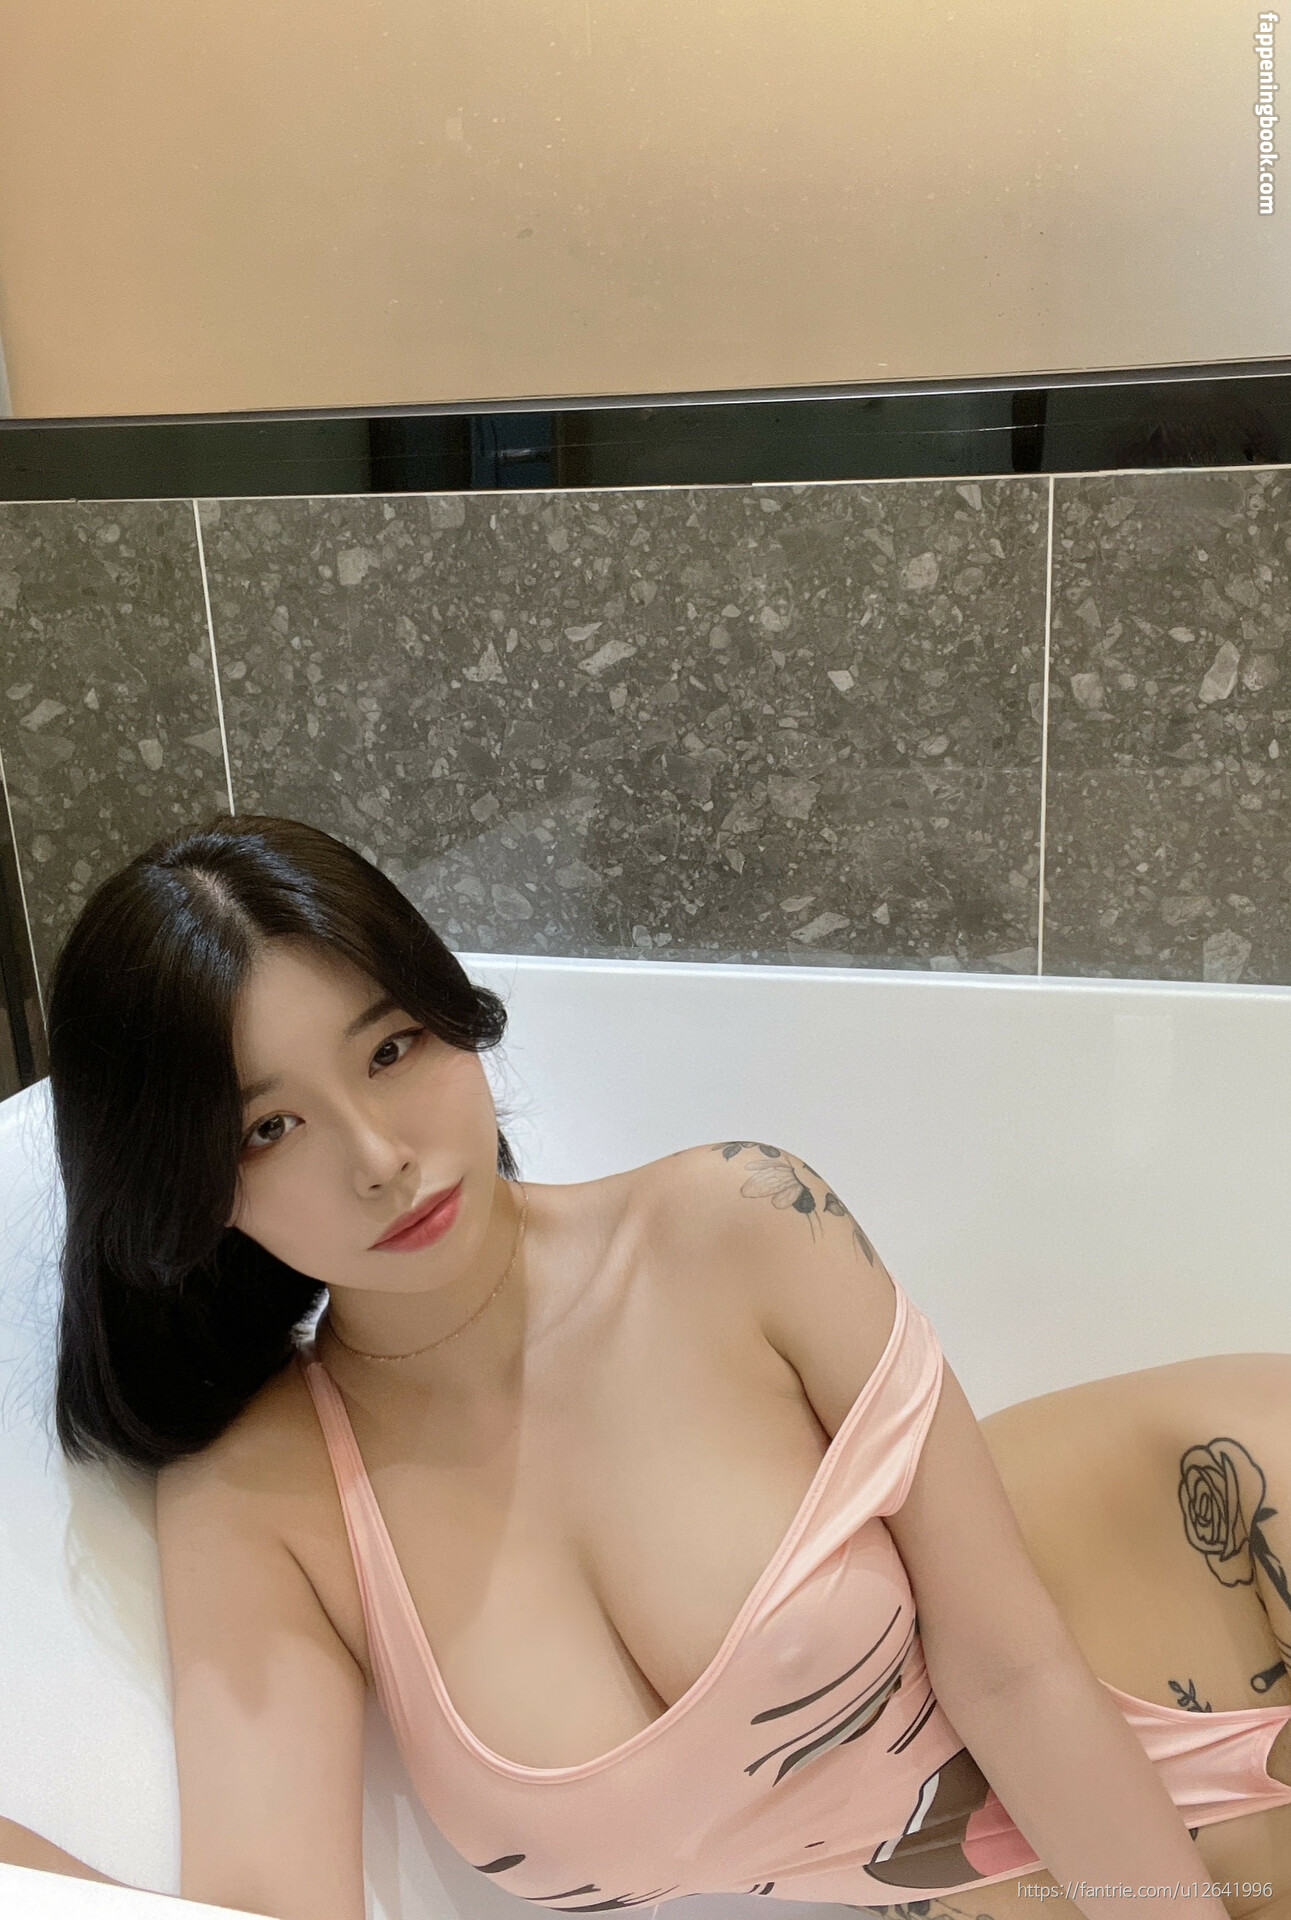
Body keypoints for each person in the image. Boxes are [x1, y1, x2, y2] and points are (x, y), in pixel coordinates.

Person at [3, 813, 1289, 1920]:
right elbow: (263, 1911)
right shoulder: (258, 1505)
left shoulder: (738, 1222)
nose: (378, 1157)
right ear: (191, 1186)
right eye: (271, 1126)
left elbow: (1012, 1671)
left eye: (391, 1049)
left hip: (1220, 1553)